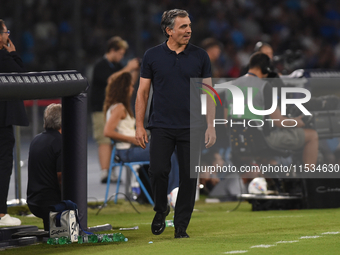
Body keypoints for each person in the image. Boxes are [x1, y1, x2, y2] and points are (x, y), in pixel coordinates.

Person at [135, 9, 216, 238]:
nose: (189, 30)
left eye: (189, 25)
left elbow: (209, 93)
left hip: (193, 126)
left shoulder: (201, 56)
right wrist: (139, 125)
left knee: (189, 177)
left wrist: (211, 125)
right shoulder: (152, 56)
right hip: (161, 125)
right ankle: (161, 209)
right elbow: (142, 93)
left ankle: (181, 226)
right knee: (158, 171)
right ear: (169, 30)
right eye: (183, 26)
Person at [225, 52, 318, 166]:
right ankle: (310, 178)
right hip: (262, 141)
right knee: (312, 136)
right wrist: (297, 122)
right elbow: (279, 122)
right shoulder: (265, 87)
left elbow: (226, 121)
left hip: (237, 142)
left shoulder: (231, 86)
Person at [90, 36, 140, 184]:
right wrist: (128, 68)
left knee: (115, 138)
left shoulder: (117, 66)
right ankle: (105, 172)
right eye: (120, 53)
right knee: (104, 139)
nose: (121, 57)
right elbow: (111, 80)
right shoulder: (100, 65)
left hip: (115, 107)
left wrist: (135, 69)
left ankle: (111, 171)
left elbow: (128, 82)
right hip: (101, 108)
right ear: (112, 50)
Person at [0, 19, 28, 226]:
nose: (7, 35)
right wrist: (13, 53)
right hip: (2, 119)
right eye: (5, 32)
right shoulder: (3, 55)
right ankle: (1, 214)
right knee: (3, 163)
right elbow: (21, 77)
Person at [27, 104, 62, 231]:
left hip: (33, 201)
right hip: (51, 204)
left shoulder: (36, 140)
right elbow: (61, 178)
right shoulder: (61, 142)